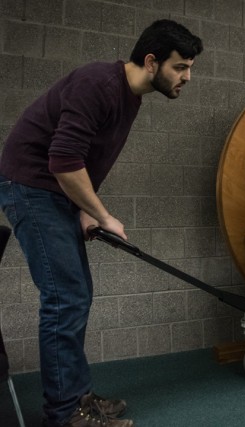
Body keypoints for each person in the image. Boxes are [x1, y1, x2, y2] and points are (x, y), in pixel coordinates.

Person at [0, 20, 202, 427]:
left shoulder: (129, 97)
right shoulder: (99, 84)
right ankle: (67, 414)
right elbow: (62, 161)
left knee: (76, 293)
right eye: (180, 67)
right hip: (31, 186)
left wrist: (85, 210)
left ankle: (78, 397)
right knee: (65, 298)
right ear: (151, 61)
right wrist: (104, 215)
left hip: (54, 191)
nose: (187, 77)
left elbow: (85, 163)